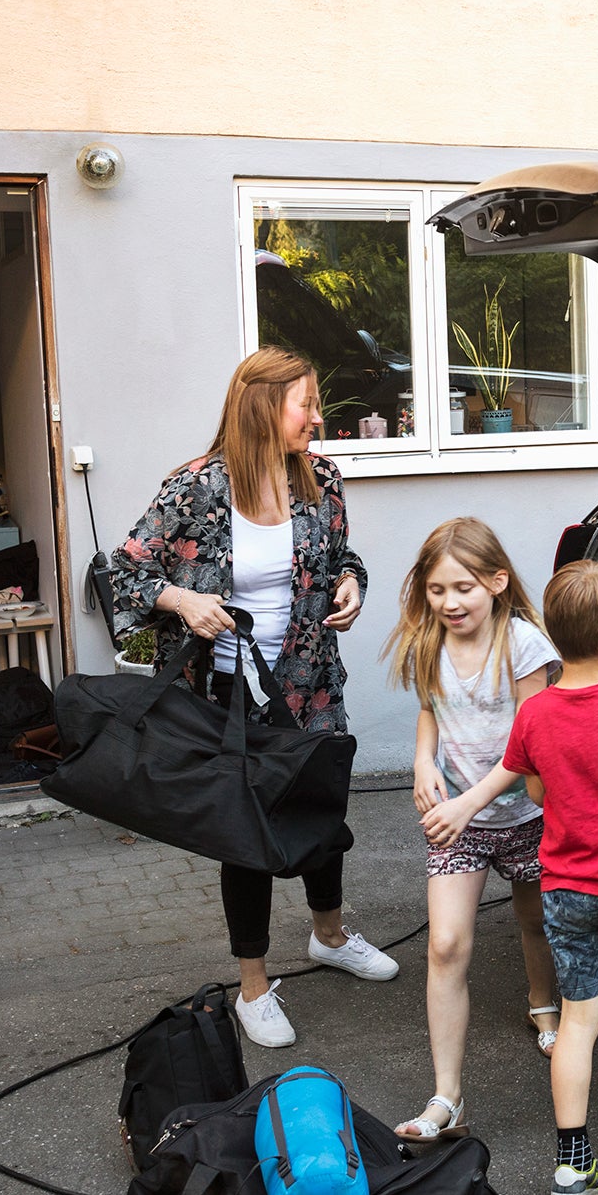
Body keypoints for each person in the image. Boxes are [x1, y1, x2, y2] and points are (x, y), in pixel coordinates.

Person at [111, 345, 397, 1049]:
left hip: (310, 679)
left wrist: (352, 584)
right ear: (266, 405)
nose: (318, 417)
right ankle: (253, 985)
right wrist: (182, 598)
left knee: (320, 803)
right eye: (307, 402)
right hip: (228, 691)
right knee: (246, 831)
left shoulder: (320, 479)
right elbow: (123, 574)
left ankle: (329, 934)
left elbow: (341, 557)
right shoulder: (197, 488)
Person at [423, 560, 598, 1195]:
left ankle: (573, 1161)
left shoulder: (536, 716)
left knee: (580, 1017)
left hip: (567, 890)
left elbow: (539, 788)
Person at [382, 518, 563, 1144]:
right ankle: (447, 1097)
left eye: (462, 588)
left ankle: (543, 999)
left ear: (496, 582)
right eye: (435, 590)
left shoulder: (524, 647)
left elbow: (530, 745)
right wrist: (423, 762)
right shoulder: (430, 644)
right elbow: (430, 713)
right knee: (446, 945)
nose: (449, 603)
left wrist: (471, 802)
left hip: (528, 815)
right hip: (458, 821)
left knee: (535, 921)